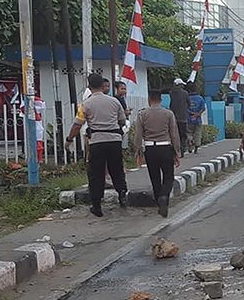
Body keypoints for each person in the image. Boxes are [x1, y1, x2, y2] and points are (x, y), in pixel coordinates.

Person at [66, 73, 128, 217]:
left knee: (96, 173)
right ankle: (122, 194)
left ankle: (96, 205)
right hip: (114, 140)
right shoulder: (114, 102)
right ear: (102, 86)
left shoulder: (85, 104)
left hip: (97, 141)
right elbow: (122, 121)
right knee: (116, 169)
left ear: (89, 86)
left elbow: (77, 125)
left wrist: (69, 140)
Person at [134, 89, 181, 217]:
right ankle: (164, 196)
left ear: (149, 100)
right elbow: (174, 134)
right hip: (165, 147)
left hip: (150, 149)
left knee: (154, 177)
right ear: (161, 99)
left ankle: (159, 202)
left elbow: (138, 135)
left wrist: (138, 151)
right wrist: (177, 152)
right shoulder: (168, 114)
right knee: (168, 176)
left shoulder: (142, 114)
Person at [169, 78, 190, 158]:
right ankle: (182, 150)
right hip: (183, 118)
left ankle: (175, 150)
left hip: (173, 118)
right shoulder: (185, 93)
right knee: (182, 136)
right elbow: (189, 103)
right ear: (179, 85)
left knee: (173, 135)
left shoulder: (171, 93)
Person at [185, 83, 206, 154]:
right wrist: (197, 114)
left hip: (188, 118)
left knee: (188, 133)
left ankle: (190, 144)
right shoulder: (200, 98)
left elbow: (185, 108)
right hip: (198, 119)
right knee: (197, 133)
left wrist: (191, 113)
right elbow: (203, 108)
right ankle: (196, 148)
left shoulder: (187, 97)